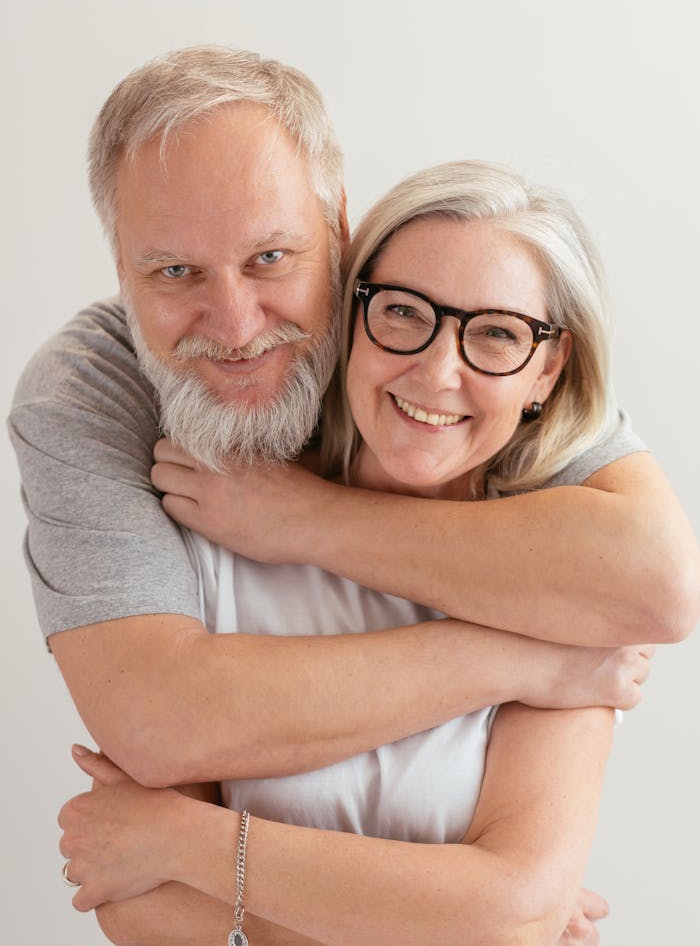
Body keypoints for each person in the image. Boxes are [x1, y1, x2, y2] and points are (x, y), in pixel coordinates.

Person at [59, 160, 659, 946]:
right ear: (349, 319)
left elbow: (508, 915)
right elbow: (149, 914)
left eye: (498, 335)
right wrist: (442, 910)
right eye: (407, 315)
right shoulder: (213, 529)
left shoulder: (562, 595)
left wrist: (183, 844)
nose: (439, 371)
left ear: (545, 370)